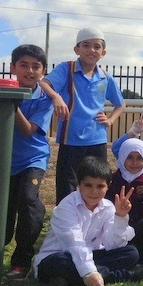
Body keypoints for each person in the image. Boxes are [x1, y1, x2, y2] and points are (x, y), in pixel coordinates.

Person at [34, 156, 143, 286]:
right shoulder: (66, 206)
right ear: (79, 184)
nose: (94, 192)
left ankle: (67, 280)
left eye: (100, 186)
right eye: (88, 185)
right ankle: (122, 276)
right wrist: (89, 274)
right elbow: (75, 244)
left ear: (108, 186)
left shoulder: (108, 207)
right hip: (61, 255)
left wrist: (120, 217)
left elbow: (111, 244)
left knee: (131, 253)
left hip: (91, 254)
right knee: (58, 262)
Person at [40, 27, 126, 204]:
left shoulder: (105, 77)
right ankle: (66, 226)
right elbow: (44, 83)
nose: (91, 50)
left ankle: (96, 225)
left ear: (103, 53)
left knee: (98, 186)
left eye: (96, 46)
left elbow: (121, 104)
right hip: (70, 139)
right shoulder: (67, 69)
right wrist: (56, 96)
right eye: (86, 45)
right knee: (67, 187)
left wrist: (110, 120)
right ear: (76, 49)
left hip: (97, 139)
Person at [5, 44, 54, 279]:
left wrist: (12, 104)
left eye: (36, 66)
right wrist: (8, 97)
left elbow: (27, 131)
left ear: (43, 71)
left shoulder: (45, 100)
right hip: (4, 160)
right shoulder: (2, 91)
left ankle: (21, 261)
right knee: (4, 209)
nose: (30, 70)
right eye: (23, 65)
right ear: (13, 67)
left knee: (28, 199)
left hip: (33, 159)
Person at [106, 138, 143, 264]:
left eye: (139, 158)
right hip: (115, 225)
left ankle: (142, 259)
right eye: (129, 157)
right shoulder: (113, 179)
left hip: (138, 227)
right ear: (122, 157)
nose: (134, 162)